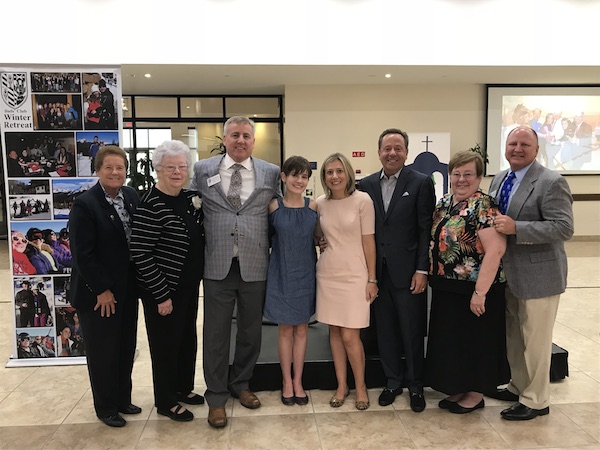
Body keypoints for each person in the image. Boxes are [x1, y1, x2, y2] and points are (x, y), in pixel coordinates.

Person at [189, 116, 280, 428]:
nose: (241, 140)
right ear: (225, 139)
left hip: (255, 264)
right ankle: (216, 396)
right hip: (217, 265)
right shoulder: (203, 170)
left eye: (246, 136)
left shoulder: (270, 172)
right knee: (215, 333)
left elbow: (280, 210)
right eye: (235, 135)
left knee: (250, 331)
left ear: (253, 142)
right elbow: (187, 208)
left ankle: (241, 384)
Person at [489, 126, 574, 420]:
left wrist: (518, 228)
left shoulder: (551, 182)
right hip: (508, 274)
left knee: (536, 340)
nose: (517, 148)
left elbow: (563, 227)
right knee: (515, 334)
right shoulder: (500, 179)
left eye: (525, 144)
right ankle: (518, 385)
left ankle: (537, 399)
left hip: (540, 276)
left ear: (536, 149)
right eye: (513, 143)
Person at [426, 150, 509, 414]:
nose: (461, 179)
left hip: (476, 287)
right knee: (454, 341)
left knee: (476, 340)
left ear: (480, 177)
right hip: (448, 287)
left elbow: (495, 250)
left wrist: (480, 292)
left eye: (468, 174)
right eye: (456, 174)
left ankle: (476, 392)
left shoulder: (485, 205)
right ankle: (459, 386)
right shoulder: (444, 203)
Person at [358, 128, 434, 412]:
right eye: (387, 148)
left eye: (398, 148)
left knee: (411, 331)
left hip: (409, 273)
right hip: (378, 273)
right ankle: (393, 382)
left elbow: (425, 229)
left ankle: (415, 386)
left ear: (406, 152)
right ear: (378, 152)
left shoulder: (421, 183)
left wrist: (421, 270)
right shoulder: (365, 185)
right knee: (386, 331)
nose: (392, 153)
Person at [130, 140, 205, 422]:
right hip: (163, 290)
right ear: (158, 169)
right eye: (170, 167)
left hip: (188, 288)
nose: (177, 172)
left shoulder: (188, 199)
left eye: (182, 166)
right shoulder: (151, 204)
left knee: (187, 340)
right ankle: (165, 400)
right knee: (165, 346)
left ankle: (183, 388)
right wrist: (161, 295)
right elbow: (140, 251)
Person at [69, 145, 141, 428]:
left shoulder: (132, 196)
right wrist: (102, 288)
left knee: (125, 346)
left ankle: (123, 398)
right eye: (109, 167)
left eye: (120, 167)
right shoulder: (85, 204)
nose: (115, 172)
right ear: (97, 170)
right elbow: (82, 254)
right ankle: (106, 407)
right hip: (99, 293)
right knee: (103, 351)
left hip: (128, 288)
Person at [316, 152, 377, 411]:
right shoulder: (319, 203)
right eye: (329, 172)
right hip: (328, 274)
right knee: (334, 334)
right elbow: (314, 232)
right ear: (324, 177)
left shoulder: (362, 200)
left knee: (351, 336)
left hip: (355, 275)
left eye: (339, 171)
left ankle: (360, 386)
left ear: (348, 173)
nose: (335, 176)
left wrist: (372, 278)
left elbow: (368, 241)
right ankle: (342, 386)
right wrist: (318, 241)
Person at [263, 156, 318, 406]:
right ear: (283, 177)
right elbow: (265, 238)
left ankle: (299, 381)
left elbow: (319, 237)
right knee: (285, 330)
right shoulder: (274, 206)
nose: (299, 180)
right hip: (281, 272)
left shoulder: (313, 206)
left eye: (304, 176)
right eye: (294, 175)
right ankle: (286, 381)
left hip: (306, 273)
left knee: (303, 329)